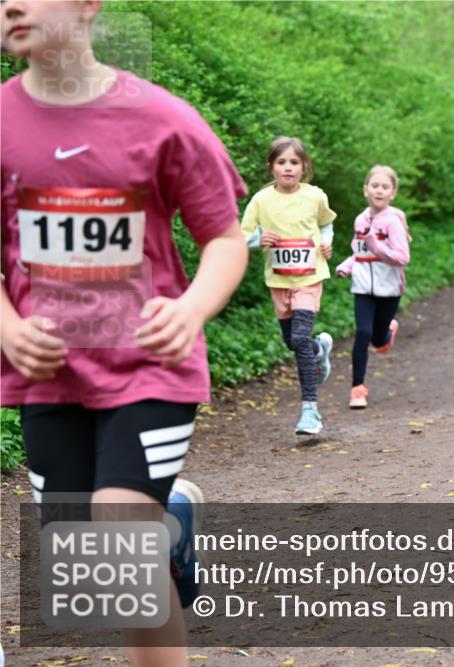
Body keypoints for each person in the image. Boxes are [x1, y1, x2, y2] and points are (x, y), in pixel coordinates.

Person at [0, 1, 248, 664]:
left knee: (117, 533)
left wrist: (192, 308)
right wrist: (9, 326)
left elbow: (224, 238)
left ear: (87, 5)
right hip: (51, 377)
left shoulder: (161, 119)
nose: (10, 5)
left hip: (149, 366)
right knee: (94, 573)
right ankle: (173, 526)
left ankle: (148, 525)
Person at [242, 137, 336, 434]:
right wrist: (259, 240)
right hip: (279, 279)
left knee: (298, 338)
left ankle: (311, 411)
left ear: (304, 166)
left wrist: (326, 242)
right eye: (281, 162)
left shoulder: (315, 196)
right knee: (292, 342)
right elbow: (240, 236)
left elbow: (326, 224)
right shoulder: (260, 200)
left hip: (309, 277)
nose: (288, 168)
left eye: (294, 162)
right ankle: (318, 348)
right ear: (271, 167)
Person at [335, 166, 409, 409]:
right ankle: (357, 388)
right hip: (363, 287)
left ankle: (387, 333)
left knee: (377, 340)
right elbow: (358, 252)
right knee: (363, 333)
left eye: (385, 187)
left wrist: (376, 245)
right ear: (365, 189)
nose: (379, 190)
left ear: (393, 193)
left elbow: (402, 257)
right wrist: (346, 265)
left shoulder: (393, 222)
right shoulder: (360, 219)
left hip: (389, 289)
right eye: (375, 186)